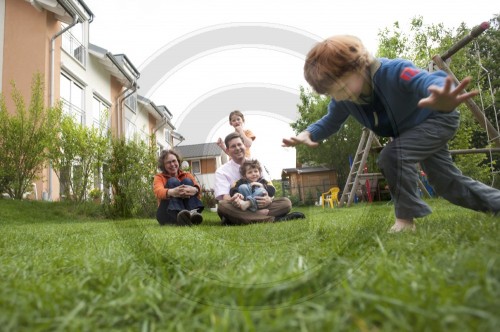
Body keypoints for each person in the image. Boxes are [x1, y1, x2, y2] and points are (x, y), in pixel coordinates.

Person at [282, 35, 500, 232]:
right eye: (333, 92)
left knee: (393, 155)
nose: (341, 95)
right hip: (410, 133)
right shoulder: (343, 99)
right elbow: (330, 120)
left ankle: (405, 221)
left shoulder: (394, 71)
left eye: (343, 86)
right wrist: (308, 133)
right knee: (447, 183)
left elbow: (424, 79)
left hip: (437, 118)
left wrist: (443, 93)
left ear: (360, 66)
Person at [215, 132, 305, 225]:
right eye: (233, 146)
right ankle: (272, 219)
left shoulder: (256, 164)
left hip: (261, 204)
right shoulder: (221, 171)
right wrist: (236, 200)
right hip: (238, 207)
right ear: (228, 150)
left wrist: (269, 199)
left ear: (244, 146)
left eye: (239, 144)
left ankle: (239, 219)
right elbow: (225, 197)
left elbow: (269, 187)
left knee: (286, 203)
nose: (237, 148)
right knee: (223, 206)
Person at [153, 149, 204, 226]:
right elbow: (158, 192)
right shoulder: (159, 177)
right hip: (166, 213)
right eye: (168, 162)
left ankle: (193, 213)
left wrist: (195, 190)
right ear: (163, 165)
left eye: (174, 161)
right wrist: (172, 192)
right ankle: (180, 214)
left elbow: (198, 188)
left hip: (188, 212)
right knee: (173, 181)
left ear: (178, 162)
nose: (172, 164)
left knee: (187, 181)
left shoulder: (187, 175)